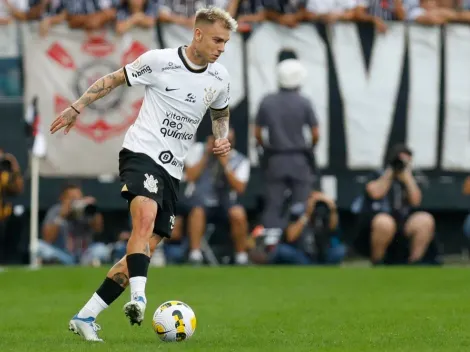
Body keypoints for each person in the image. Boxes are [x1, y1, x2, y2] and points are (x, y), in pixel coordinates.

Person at [50, 6, 236, 342]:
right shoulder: (159, 61)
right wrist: (76, 107)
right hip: (141, 152)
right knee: (145, 219)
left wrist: (221, 138)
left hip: (172, 169)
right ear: (198, 34)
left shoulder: (220, 77)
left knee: (143, 248)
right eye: (217, 40)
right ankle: (139, 298)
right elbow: (113, 80)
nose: (221, 48)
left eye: (225, 42)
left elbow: (220, 113)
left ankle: (86, 316)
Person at [255, 58, 319, 230]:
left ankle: (270, 244)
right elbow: (315, 133)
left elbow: (257, 133)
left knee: (273, 203)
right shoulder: (304, 102)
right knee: (301, 203)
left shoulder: (267, 101)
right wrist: (309, 148)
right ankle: (300, 240)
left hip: (275, 158)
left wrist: (268, 147)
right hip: (299, 158)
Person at [352, 144, 436, 265]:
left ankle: (415, 262)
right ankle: (377, 262)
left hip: (404, 221)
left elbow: (416, 201)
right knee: (385, 222)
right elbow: (375, 193)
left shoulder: (412, 178)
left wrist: (407, 178)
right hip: (377, 224)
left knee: (425, 220)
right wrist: (390, 174)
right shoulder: (377, 175)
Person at [184, 128, 250, 265]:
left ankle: (241, 257)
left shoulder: (240, 159)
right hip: (200, 200)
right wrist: (207, 155)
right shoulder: (198, 150)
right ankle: (195, 255)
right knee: (197, 212)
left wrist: (225, 164)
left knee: (239, 214)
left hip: (225, 202)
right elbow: (190, 177)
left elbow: (240, 188)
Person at [39, 183, 104, 266]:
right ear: (62, 199)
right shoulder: (56, 211)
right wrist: (61, 217)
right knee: (39, 246)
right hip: (63, 254)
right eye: (72, 199)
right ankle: (57, 262)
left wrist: (94, 209)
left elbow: (98, 229)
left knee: (101, 248)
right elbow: (47, 238)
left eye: (79, 198)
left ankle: (89, 262)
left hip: (84, 254)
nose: (76, 202)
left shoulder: (86, 210)